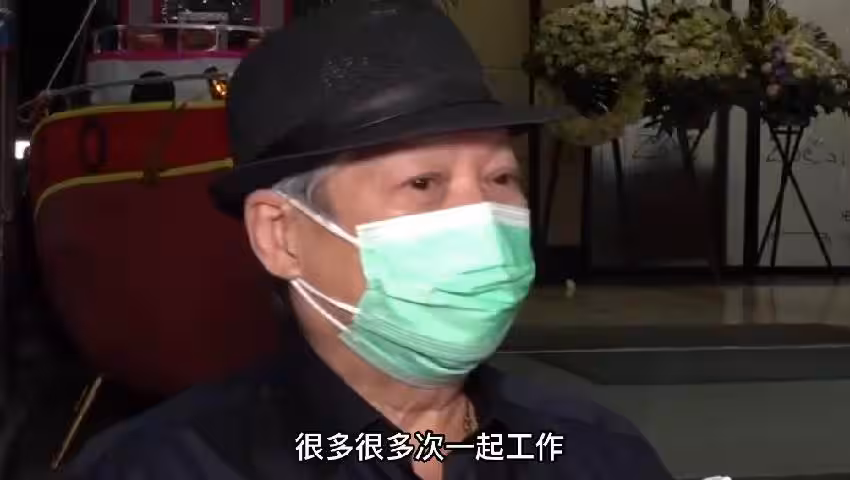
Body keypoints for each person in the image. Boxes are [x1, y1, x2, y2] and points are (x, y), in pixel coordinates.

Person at [65, 0, 673, 478]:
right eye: (423, 182)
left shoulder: (593, 451)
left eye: (501, 178)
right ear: (280, 235)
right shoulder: (166, 466)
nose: (483, 218)